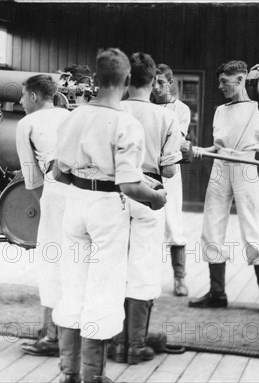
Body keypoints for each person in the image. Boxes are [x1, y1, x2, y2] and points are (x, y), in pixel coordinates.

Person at [52, 48, 167, 383]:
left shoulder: (74, 116)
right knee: (103, 290)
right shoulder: (126, 124)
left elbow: (58, 173)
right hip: (106, 207)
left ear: (97, 80)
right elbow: (130, 186)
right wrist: (155, 199)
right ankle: (92, 376)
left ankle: (68, 373)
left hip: (75, 202)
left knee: (73, 285)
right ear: (127, 81)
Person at [189, 60, 259, 318]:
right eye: (219, 81)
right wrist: (202, 151)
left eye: (225, 81)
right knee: (211, 228)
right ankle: (217, 294)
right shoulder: (221, 110)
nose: (220, 86)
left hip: (246, 166)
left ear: (242, 79)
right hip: (221, 166)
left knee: (253, 229)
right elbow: (218, 146)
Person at [107, 52, 182, 365]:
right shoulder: (166, 117)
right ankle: (135, 345)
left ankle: (114, 344)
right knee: (143, 268)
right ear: (153, 82)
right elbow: (169, 172)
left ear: (126, 81)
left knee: (113, 268)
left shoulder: (111, 111)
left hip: (111, 193)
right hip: (149, 192)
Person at [15, 74, 70, 357]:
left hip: (57, 190)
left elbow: (32, 179)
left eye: (23, 96)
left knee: (51, 261)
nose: (21, 102)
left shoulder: (27, 123)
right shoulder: (71, 116)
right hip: (89, 192)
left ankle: (52, 335)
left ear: (34, 97)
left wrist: (47, 202)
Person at [152, 63, 192, 296]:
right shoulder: (144, 106)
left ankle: (180, 278)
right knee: (143, 222)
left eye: (161, 83)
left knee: (173, 223)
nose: (157, 87)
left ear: (170, 84)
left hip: (168, 172)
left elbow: (176, 141)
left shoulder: (181, 109)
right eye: (153, 83)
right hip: (145, 172)